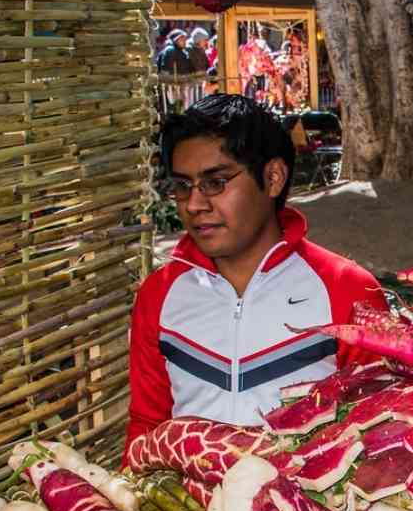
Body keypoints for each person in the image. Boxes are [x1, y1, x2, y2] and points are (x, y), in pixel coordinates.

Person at [125, 95, 386, 457]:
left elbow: (379, 430)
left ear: (273, 177)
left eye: (215, 182)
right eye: (183, 186)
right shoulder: (160, 293)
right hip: (183, 508)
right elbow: (147, 425)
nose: (194, 204)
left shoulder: (347, 289)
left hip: (306, 510)